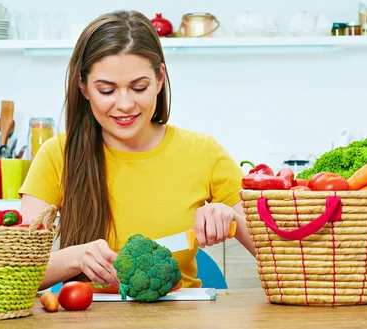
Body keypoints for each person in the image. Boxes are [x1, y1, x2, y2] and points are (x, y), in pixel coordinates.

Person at [18, 9, 255, 291]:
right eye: (107, 90)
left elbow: (278, 257)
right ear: (83, 86)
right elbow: (15, 270)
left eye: (138, 87)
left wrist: (232, 219)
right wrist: (75, 257)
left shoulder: (203, 152)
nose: (125, 104)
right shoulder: (57, 155)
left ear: (159, 79)